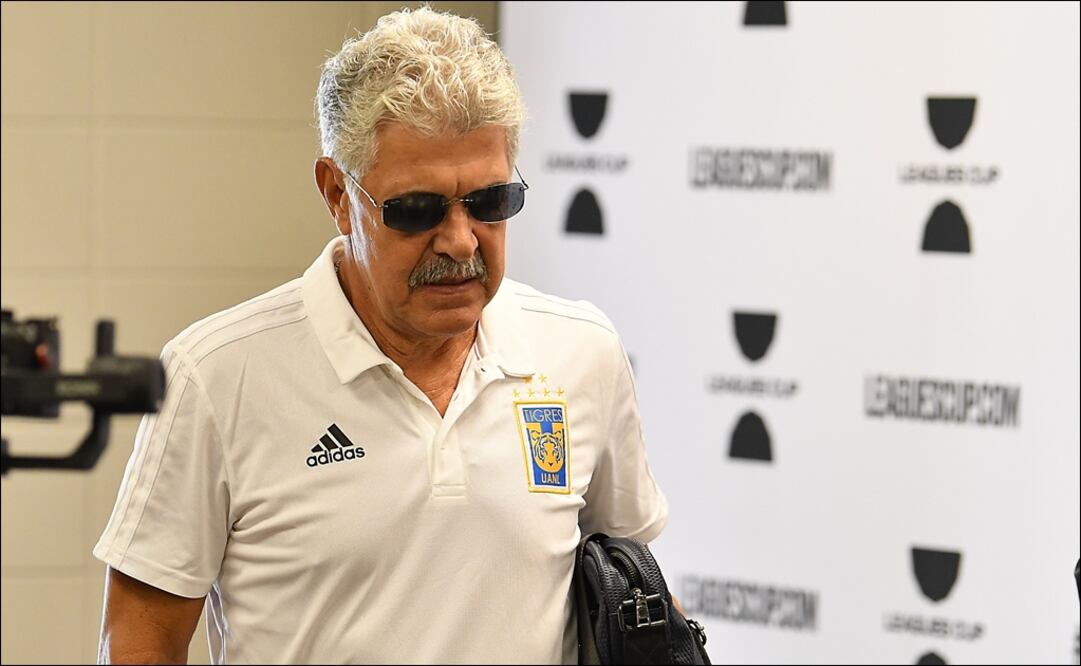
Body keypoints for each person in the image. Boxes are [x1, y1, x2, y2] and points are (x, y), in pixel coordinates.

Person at [94, 7, 667, 664]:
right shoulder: (216, 376)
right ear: (337, 193)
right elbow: (140, 639)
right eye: (416, 209)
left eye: (489, 204)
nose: (458, 241)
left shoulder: (580, 352)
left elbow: (633, 585)